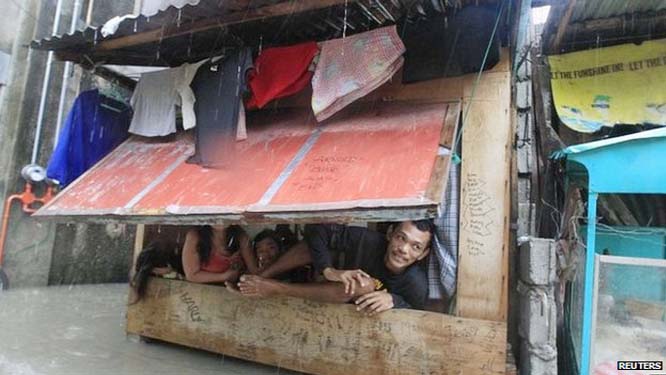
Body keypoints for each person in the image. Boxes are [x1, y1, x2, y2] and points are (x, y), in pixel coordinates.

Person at [236, 220, 432, 315]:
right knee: (311, 247)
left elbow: (418, 314)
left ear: (423, 254)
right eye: (401, 238)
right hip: (326, 284)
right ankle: (258, 278)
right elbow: (316, 229)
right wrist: (328, 270)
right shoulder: (368, 240)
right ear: (390, 234)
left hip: (346, 310)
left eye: (416, 247)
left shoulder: (416, 282)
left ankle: (273, 288)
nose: (403, 250)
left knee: (363, 285)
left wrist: (394, 299)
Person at [182, 225, 248, 284]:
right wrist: (225, 276)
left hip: (234, 291)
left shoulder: (240, 236)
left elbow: (253, 270)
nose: (219, 221)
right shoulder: (195, 236)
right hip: (201, 290)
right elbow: (191, 276)